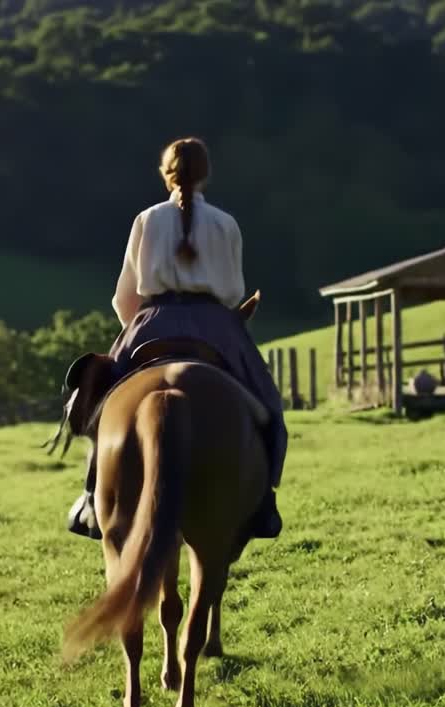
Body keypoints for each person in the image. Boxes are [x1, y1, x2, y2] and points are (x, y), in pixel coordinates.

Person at [65, 136, 285, 543]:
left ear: (166, 175)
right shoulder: (225, 224)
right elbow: (234, 291)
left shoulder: (146, 220)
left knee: (103, 404)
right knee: (269, 404)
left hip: (151, 322)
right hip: (217, 325)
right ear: (205, 174)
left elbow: (124, 297)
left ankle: (91, 496)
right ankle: (264, 501)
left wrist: (137, 325)